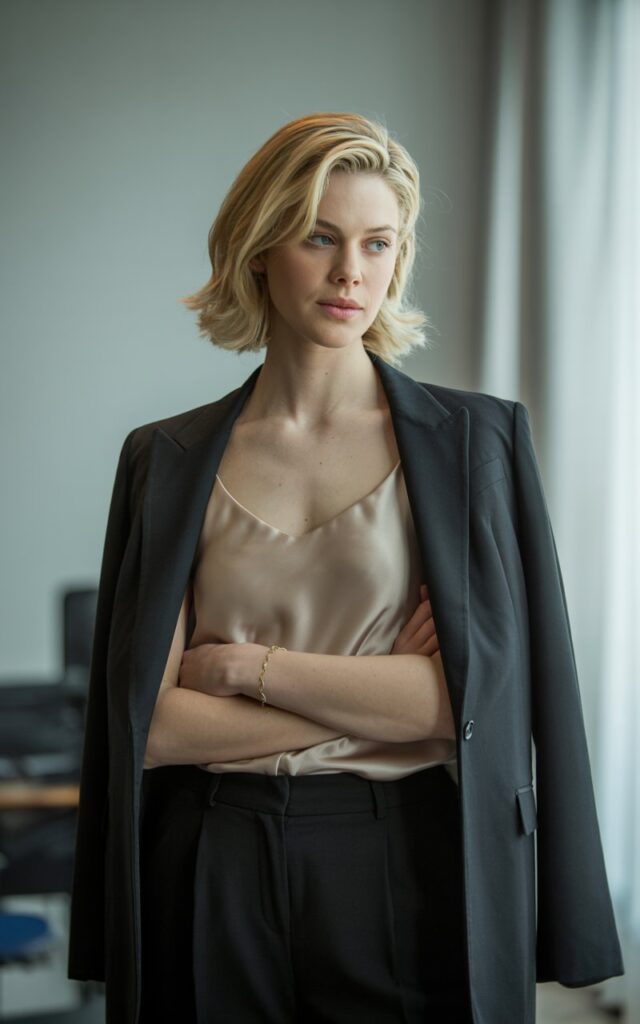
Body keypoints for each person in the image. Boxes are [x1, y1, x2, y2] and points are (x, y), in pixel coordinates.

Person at [68, 113, 624, 1024]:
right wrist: (378, 690)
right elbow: (156, 727)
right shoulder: (164, 457)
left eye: (377, 242)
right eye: (318, 238)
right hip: (209, 859)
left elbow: (468, 706)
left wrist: (247, 671)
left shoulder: (474, 443)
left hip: (404, 860)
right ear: (258, 248)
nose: (349, 273)